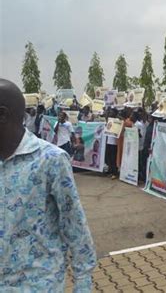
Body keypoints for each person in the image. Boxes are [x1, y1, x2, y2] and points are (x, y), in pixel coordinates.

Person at [0, 79, 96, 291]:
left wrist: (82, 284)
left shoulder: (50, 160)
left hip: (38, 285)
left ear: (3, 114)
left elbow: (75, 225)